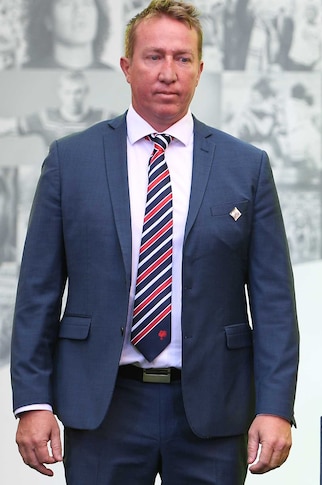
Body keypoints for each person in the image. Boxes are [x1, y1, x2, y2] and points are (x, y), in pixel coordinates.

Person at [11, 2, 300, 484]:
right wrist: (33, 402)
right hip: (103, 408)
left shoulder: (245, 167)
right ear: (126, 67)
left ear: (200, 70)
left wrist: (275, 407)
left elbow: (273, 302)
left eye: (183, 59)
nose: (169, 72)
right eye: (154, 56)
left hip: (213, 409)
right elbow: (37, 294)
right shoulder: (70, 161)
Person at [0, 70, 114, 146]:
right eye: (68, 92)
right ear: (60, 92)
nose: (72, 97)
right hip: (57, 180)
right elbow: (8, 126)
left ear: (86, 92)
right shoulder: (46, 118)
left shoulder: (104, 119)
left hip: (92, 179)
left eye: (77, 92)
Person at [22, 0, 113, 70]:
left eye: (86, 3)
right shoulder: (24, 76)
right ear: (48, 19)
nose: (79, 11)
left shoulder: (115, 80)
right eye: (67, 3)